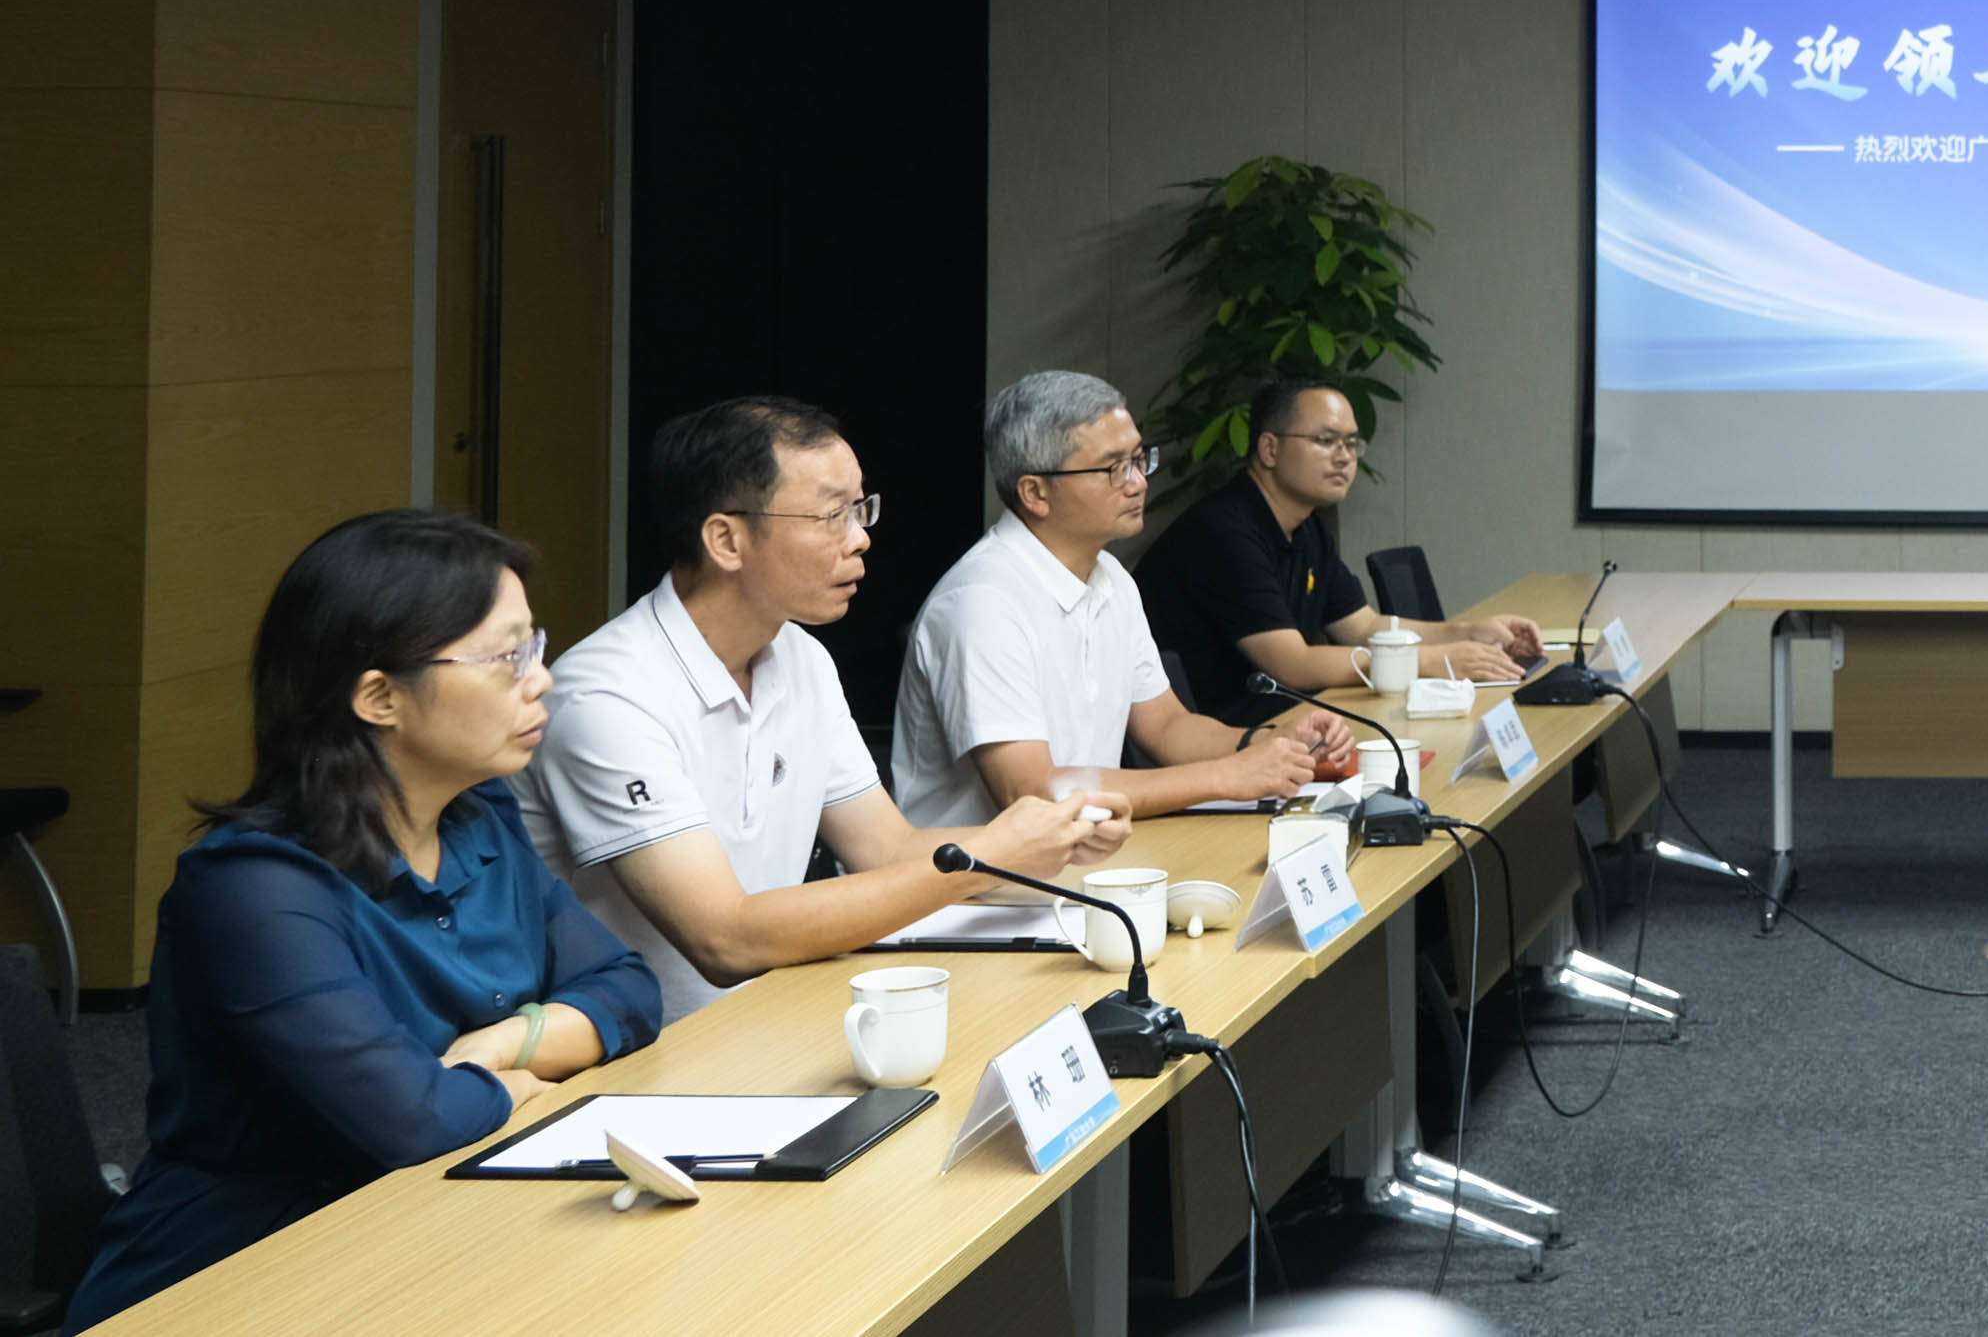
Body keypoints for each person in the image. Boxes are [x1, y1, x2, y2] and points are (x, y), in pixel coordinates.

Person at [69, 513, 661, 1329]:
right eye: (506, 658)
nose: (542, 680)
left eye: (534, 646)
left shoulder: (479, 816)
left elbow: (627, 990)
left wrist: (497, 1050)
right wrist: (516, 1080)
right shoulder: (254, 889)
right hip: (245, 1273)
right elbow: (413, 1122)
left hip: (446, 1232)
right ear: (379, 696)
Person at [518, 396, 1139, 1021]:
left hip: (774, 1017)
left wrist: (1050, 834)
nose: (860, 538)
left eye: (860, 509)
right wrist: (995, 855)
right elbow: (725, 939)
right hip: (646, 1052)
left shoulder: (801, 657)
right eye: (831, 516)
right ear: (726, 540)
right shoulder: (608, 695)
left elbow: (888, 848)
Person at [891, 371, 1347, 830]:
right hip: (982, 872)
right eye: (1113, 468)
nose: (1138, 483)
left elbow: (1168, 727)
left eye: (1138, 459)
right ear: (1035, 493)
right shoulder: (982, 602)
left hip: (1089, 850)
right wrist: (1227, 776)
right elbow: (1030, 790)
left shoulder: (1112, 578)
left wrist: (1269, 742)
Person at [1136, 375, 1544, 720]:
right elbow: (1292, 664)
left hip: (1274, 720)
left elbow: (1362, 627)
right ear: (1270, 449)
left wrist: (1469, 633)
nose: (1344, 458)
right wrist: (1428, 662)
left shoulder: (1306, 526)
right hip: (1212, 735)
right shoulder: (1224, 531)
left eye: (1351, 443)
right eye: (1326, 440)